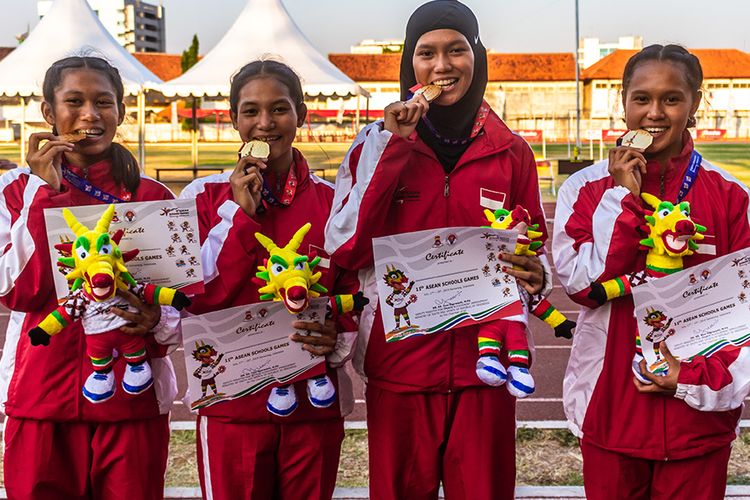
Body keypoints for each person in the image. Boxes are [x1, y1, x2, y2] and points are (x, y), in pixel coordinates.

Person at [324, 2, 550, 498]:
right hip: (402, 366)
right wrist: (395, 147)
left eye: (457, 50)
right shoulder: (372, 144)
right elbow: (346, 248)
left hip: (484, 370)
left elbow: (534, 244)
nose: (442, 66)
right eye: (427, 53)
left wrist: (536, 276)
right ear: (410, 64)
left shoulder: (512, 151)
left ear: (478, 58)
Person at [553, 44, 750, 499]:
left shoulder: (731, 196)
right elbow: (584, 288)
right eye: (641, 98)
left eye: (671, 98)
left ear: (695, 103)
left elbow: (744, 314)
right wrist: (623, 198)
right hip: (611, 415)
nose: (654, 113)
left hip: (697, 424)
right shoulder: (584, 189)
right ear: (623, 102)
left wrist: (693, 377)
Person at [0, 56, 181, 499]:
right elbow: (15, 290)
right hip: (40, 395)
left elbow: (180, 303)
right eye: (74, 101)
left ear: (120, 111)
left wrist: (154, 320)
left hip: (132, 398)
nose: (90, 114)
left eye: (104, 102)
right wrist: (45, 194)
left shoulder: (153, 198)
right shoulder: (15, 191)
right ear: (48, 112)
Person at [180, 59, 359, 500]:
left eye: (279, 109)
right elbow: (193, 296)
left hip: (312, 405)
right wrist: (239, 216)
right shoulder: (202, 198)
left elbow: (356, 290)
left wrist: (337, 336)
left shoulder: (333, 202)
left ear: (301, 113)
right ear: (234, 117)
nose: (265, 123)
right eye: (250, 111)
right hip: (230, 408)